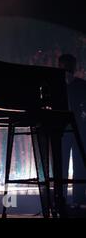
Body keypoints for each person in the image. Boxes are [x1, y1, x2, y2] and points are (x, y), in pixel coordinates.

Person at [59, 54, 86, 206]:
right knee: (73, 165)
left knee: (77, 165)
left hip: (74, 130)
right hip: (68, 130)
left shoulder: (79, 86)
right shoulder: (80, 85)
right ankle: (71, 198)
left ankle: (73, 198)